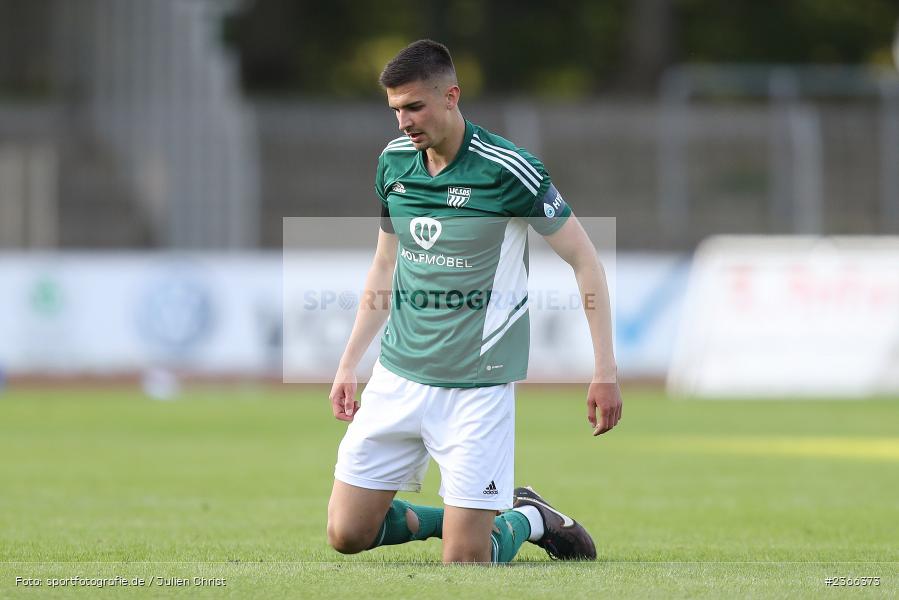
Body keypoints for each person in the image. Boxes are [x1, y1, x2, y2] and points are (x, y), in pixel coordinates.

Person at [327, 39, 622, 564]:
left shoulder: (508, 169)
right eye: (395, 109)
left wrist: (605, 371)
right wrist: (350, 362)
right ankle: (489, 517)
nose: (404, 122)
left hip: (477, 387)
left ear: (451, 96)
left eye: (414, 106)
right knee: (347, 534)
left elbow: (585, 261)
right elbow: (384, 265)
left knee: (466, 564)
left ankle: (527, 518)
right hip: (398, 377)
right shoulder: (394, 164)